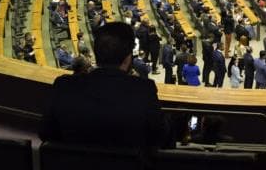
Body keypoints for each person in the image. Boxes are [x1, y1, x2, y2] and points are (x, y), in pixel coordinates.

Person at [41, 22, 170, 149]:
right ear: (128, 58)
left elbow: (45, 133)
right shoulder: (144, 90)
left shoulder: (64, 86)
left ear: (96, 54)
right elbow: (161, 138)